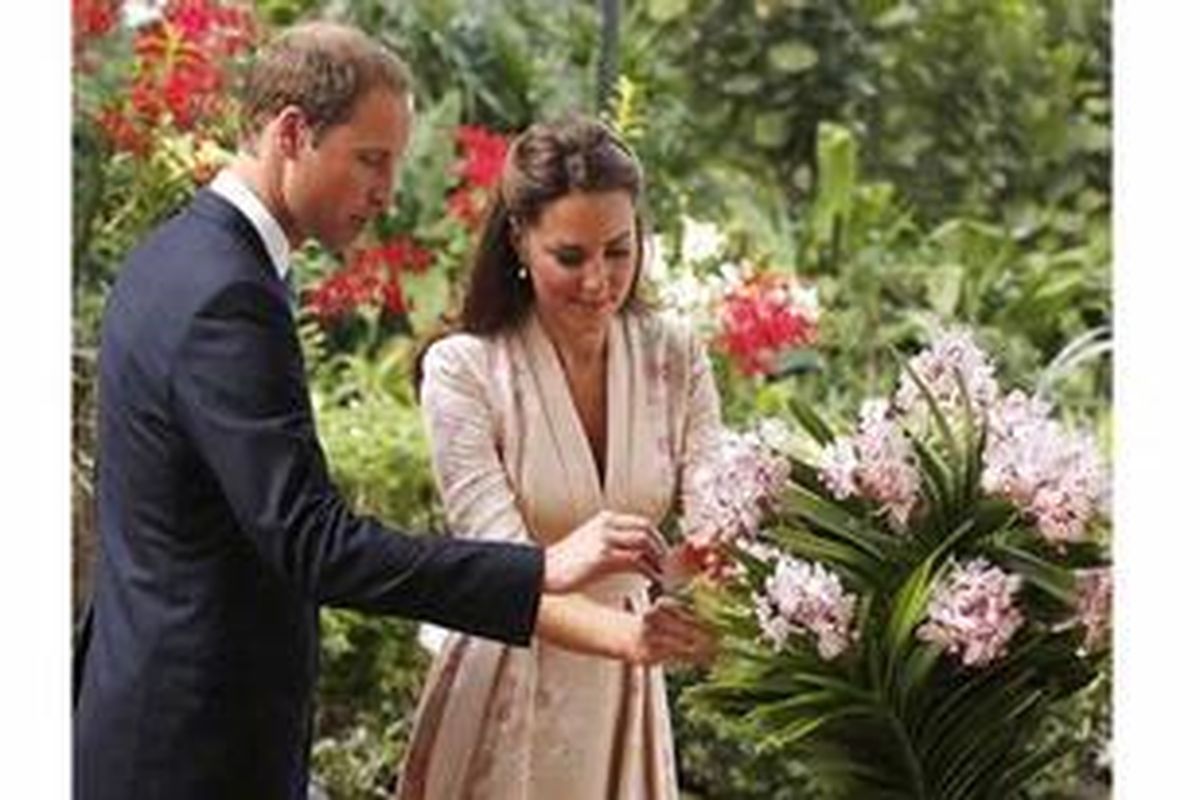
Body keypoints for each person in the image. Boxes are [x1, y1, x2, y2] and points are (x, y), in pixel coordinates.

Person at [73, 23, 669, 800]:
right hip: (190, 748)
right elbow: (313, 542)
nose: (387, 192)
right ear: (292, 132)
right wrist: (541, 568)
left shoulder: (176, 257)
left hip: (158, 716)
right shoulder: (226, 292)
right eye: (371, 160)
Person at [396, 117, 723, 800]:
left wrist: (707, 586)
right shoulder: (465, 370)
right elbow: (494, 570)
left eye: (619, 251)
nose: (600, 282)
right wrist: (631, 638)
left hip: (624, 707)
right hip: (504, 690)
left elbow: (716, 523)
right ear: (518, 239)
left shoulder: (676, 353)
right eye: (570, 257)